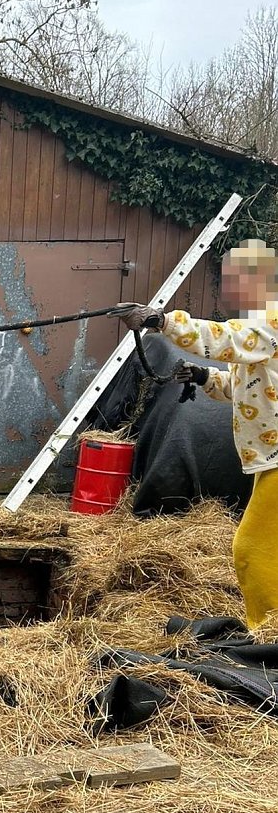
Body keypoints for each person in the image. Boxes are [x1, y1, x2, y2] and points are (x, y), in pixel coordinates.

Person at [111, 239, 278, 629]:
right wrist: (204, 377)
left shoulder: (270, 321)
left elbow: (225, 339)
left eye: (236, 279)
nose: (229, 289)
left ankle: (267, 634)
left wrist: (163, 322)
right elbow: (247, 388)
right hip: (268, 459)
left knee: (250, 549)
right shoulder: (261, 330)